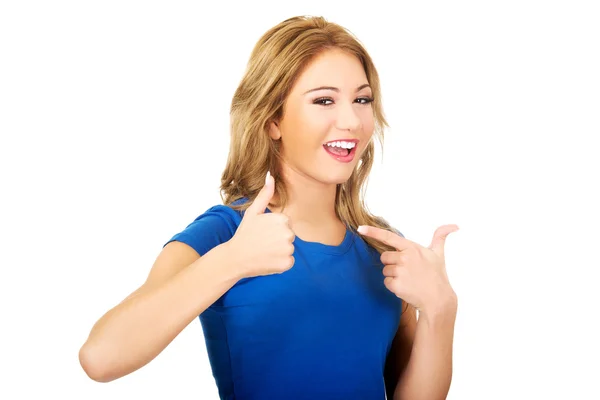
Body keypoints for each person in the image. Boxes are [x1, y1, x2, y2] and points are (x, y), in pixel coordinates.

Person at [79, 15, 459, 400]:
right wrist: (230, 262)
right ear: (273, 119)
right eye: (324, 100)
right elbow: (101, 358)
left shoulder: (385, 250)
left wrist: (440, 311)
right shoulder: (224, 233)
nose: (352, 120)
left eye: (361, 100)